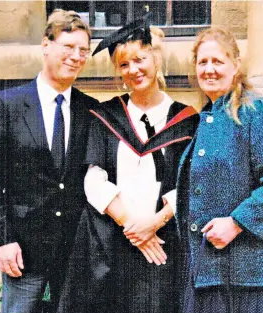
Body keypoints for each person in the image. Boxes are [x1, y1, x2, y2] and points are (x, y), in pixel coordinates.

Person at [57, 15, 199, 313]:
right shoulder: (106, 115)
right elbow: (93, 180)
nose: (133, 70)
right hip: (111, 244)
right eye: (124, 65)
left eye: (139, 59)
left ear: (155, 59)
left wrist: (154, 223)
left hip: (163, 244)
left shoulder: (187, 120)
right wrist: (135, 228)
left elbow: (191, 183)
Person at [0, 9, 99, 313]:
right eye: (68, 47)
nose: (76, 56)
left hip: (74, 253)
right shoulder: (7, 104)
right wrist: (2, 241)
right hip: (22, 253)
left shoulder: (90, 109)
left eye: (83, 50)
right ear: (46, 45)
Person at [176, 26, 263, 313]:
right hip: (207, 274)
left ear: (235, 65)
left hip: (249, 279)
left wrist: (237, 222)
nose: (209, 69)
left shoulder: (258, 112)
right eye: (203, 62)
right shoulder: (206, 117)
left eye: (218, 61)